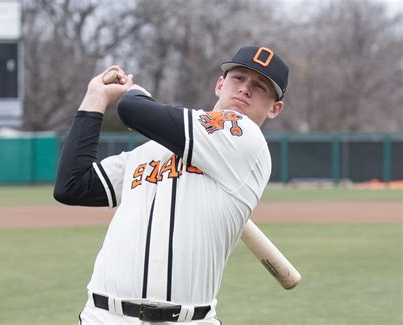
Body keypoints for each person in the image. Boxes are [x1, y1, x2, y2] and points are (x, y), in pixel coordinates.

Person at [54, 45, 289, 324]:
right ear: (220, 84)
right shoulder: (149, 151)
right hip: (104, 316)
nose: (246, 89)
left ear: (275, 108)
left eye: (260, 86)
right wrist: (94, 97)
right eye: (239, 78)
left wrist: (134, 91)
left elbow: (131, 109)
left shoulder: (245, 139)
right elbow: (72, 185)